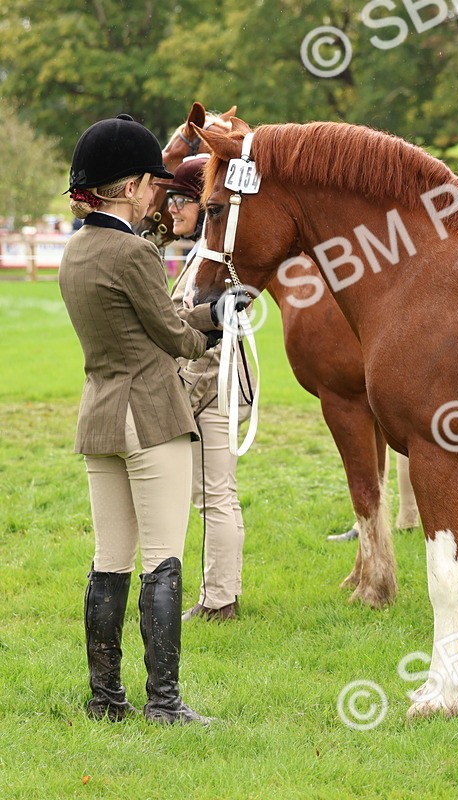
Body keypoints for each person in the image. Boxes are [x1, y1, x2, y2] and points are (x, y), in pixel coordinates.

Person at [58, 114, 244, 725]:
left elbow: (140, 320)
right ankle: (164, 703)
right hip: (150, 416)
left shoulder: (77, 249)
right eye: (150, 184)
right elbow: (172, 338)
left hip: (100, 418)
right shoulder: (134, 253)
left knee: (109, 560)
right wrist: (216, 316)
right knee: (163, 560)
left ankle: (105, 698)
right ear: (132, 185)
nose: (156, 194)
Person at [162, 154, 254, 621]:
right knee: (218, 494)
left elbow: (212, 337)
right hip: (215, 386)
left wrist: (185, 396)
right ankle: (222, 593)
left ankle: (219, 600)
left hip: (210, 388)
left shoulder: (213, 263)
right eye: (171, 199)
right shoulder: (205, 257)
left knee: (214, 496)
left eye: (181, 200)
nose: (172, 208)